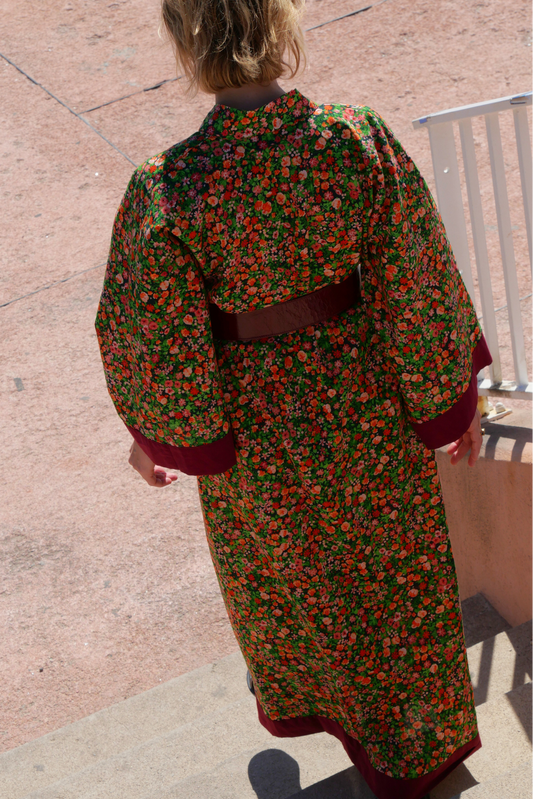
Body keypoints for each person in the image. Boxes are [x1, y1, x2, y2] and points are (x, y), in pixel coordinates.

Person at [95, 2, 492, 797]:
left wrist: (162, 437)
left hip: (259, 436)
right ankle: (411, 751)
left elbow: (154, 335)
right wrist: (452, 399)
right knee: (393, 580)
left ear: (184, 44)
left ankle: (350, 729)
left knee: (299, 585)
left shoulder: (168, 186)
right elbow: (413, 279)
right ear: (282, 28)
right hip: (368, 405)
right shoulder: (353, 139)